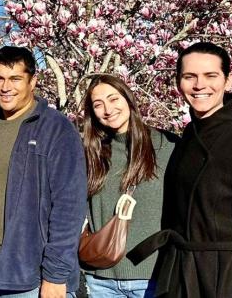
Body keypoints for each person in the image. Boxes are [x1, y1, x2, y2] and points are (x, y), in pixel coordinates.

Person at [131, 42, 232, 297]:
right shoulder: (191, 135)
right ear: (178, 82)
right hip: (179, 274)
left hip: (223, 280)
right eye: (189, 76)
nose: (199, 85)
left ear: (228, 80)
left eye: (211, 76)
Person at [0, 46, 86, 298]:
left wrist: (55, 275)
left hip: (31, 270)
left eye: (16, 78)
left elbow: (69, 206)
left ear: (33, 82)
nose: (6, 87)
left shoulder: (56, 129)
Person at [80, 75, 174, 297]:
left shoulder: (167, 146)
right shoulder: (91, 152)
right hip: (100, 279)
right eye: (98, 104)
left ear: (128, 99)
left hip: (151, 277)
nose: (108, 109)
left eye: (114, 99)